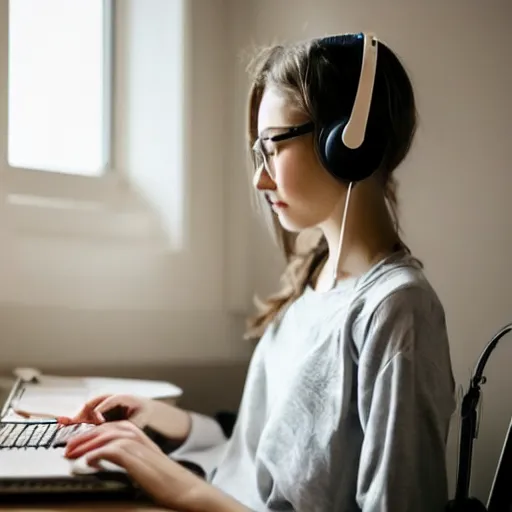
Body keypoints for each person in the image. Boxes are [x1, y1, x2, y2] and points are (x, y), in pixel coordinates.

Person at [61, 32, 456, 511]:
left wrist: (184, 488)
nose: (259, 177)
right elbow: (262, 454)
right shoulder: (314, 277)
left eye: (272, 147)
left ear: (348, 143)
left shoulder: (396, 309)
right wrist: (175, 423)